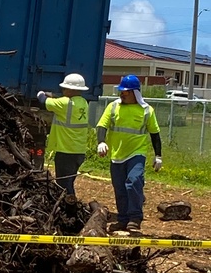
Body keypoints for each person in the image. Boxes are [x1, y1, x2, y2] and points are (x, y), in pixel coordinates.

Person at [96, 74, 163, 234]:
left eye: (126, 91)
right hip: (117, 155)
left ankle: (135, 218)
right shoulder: (113, 107)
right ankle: (123, 219)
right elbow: (102, 126)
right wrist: (101, 142)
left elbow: (155, 134)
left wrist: (158, 156)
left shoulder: (147, 110)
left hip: (136, 153)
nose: (122, 93)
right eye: (121, 91)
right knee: (119, 188)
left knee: (133, 182)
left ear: (135, 93)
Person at [37, 72, 91, 200]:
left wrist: (41, 93)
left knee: (63, 185)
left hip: (66, 151)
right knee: (69, 181)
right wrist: (54, 96)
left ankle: (69, 210)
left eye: (65, 88)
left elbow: (42, 101)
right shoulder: (83, 103)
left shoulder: (64, 104)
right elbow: (61, 101)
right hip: (78, 151)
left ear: (71, 89)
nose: (63, 90)